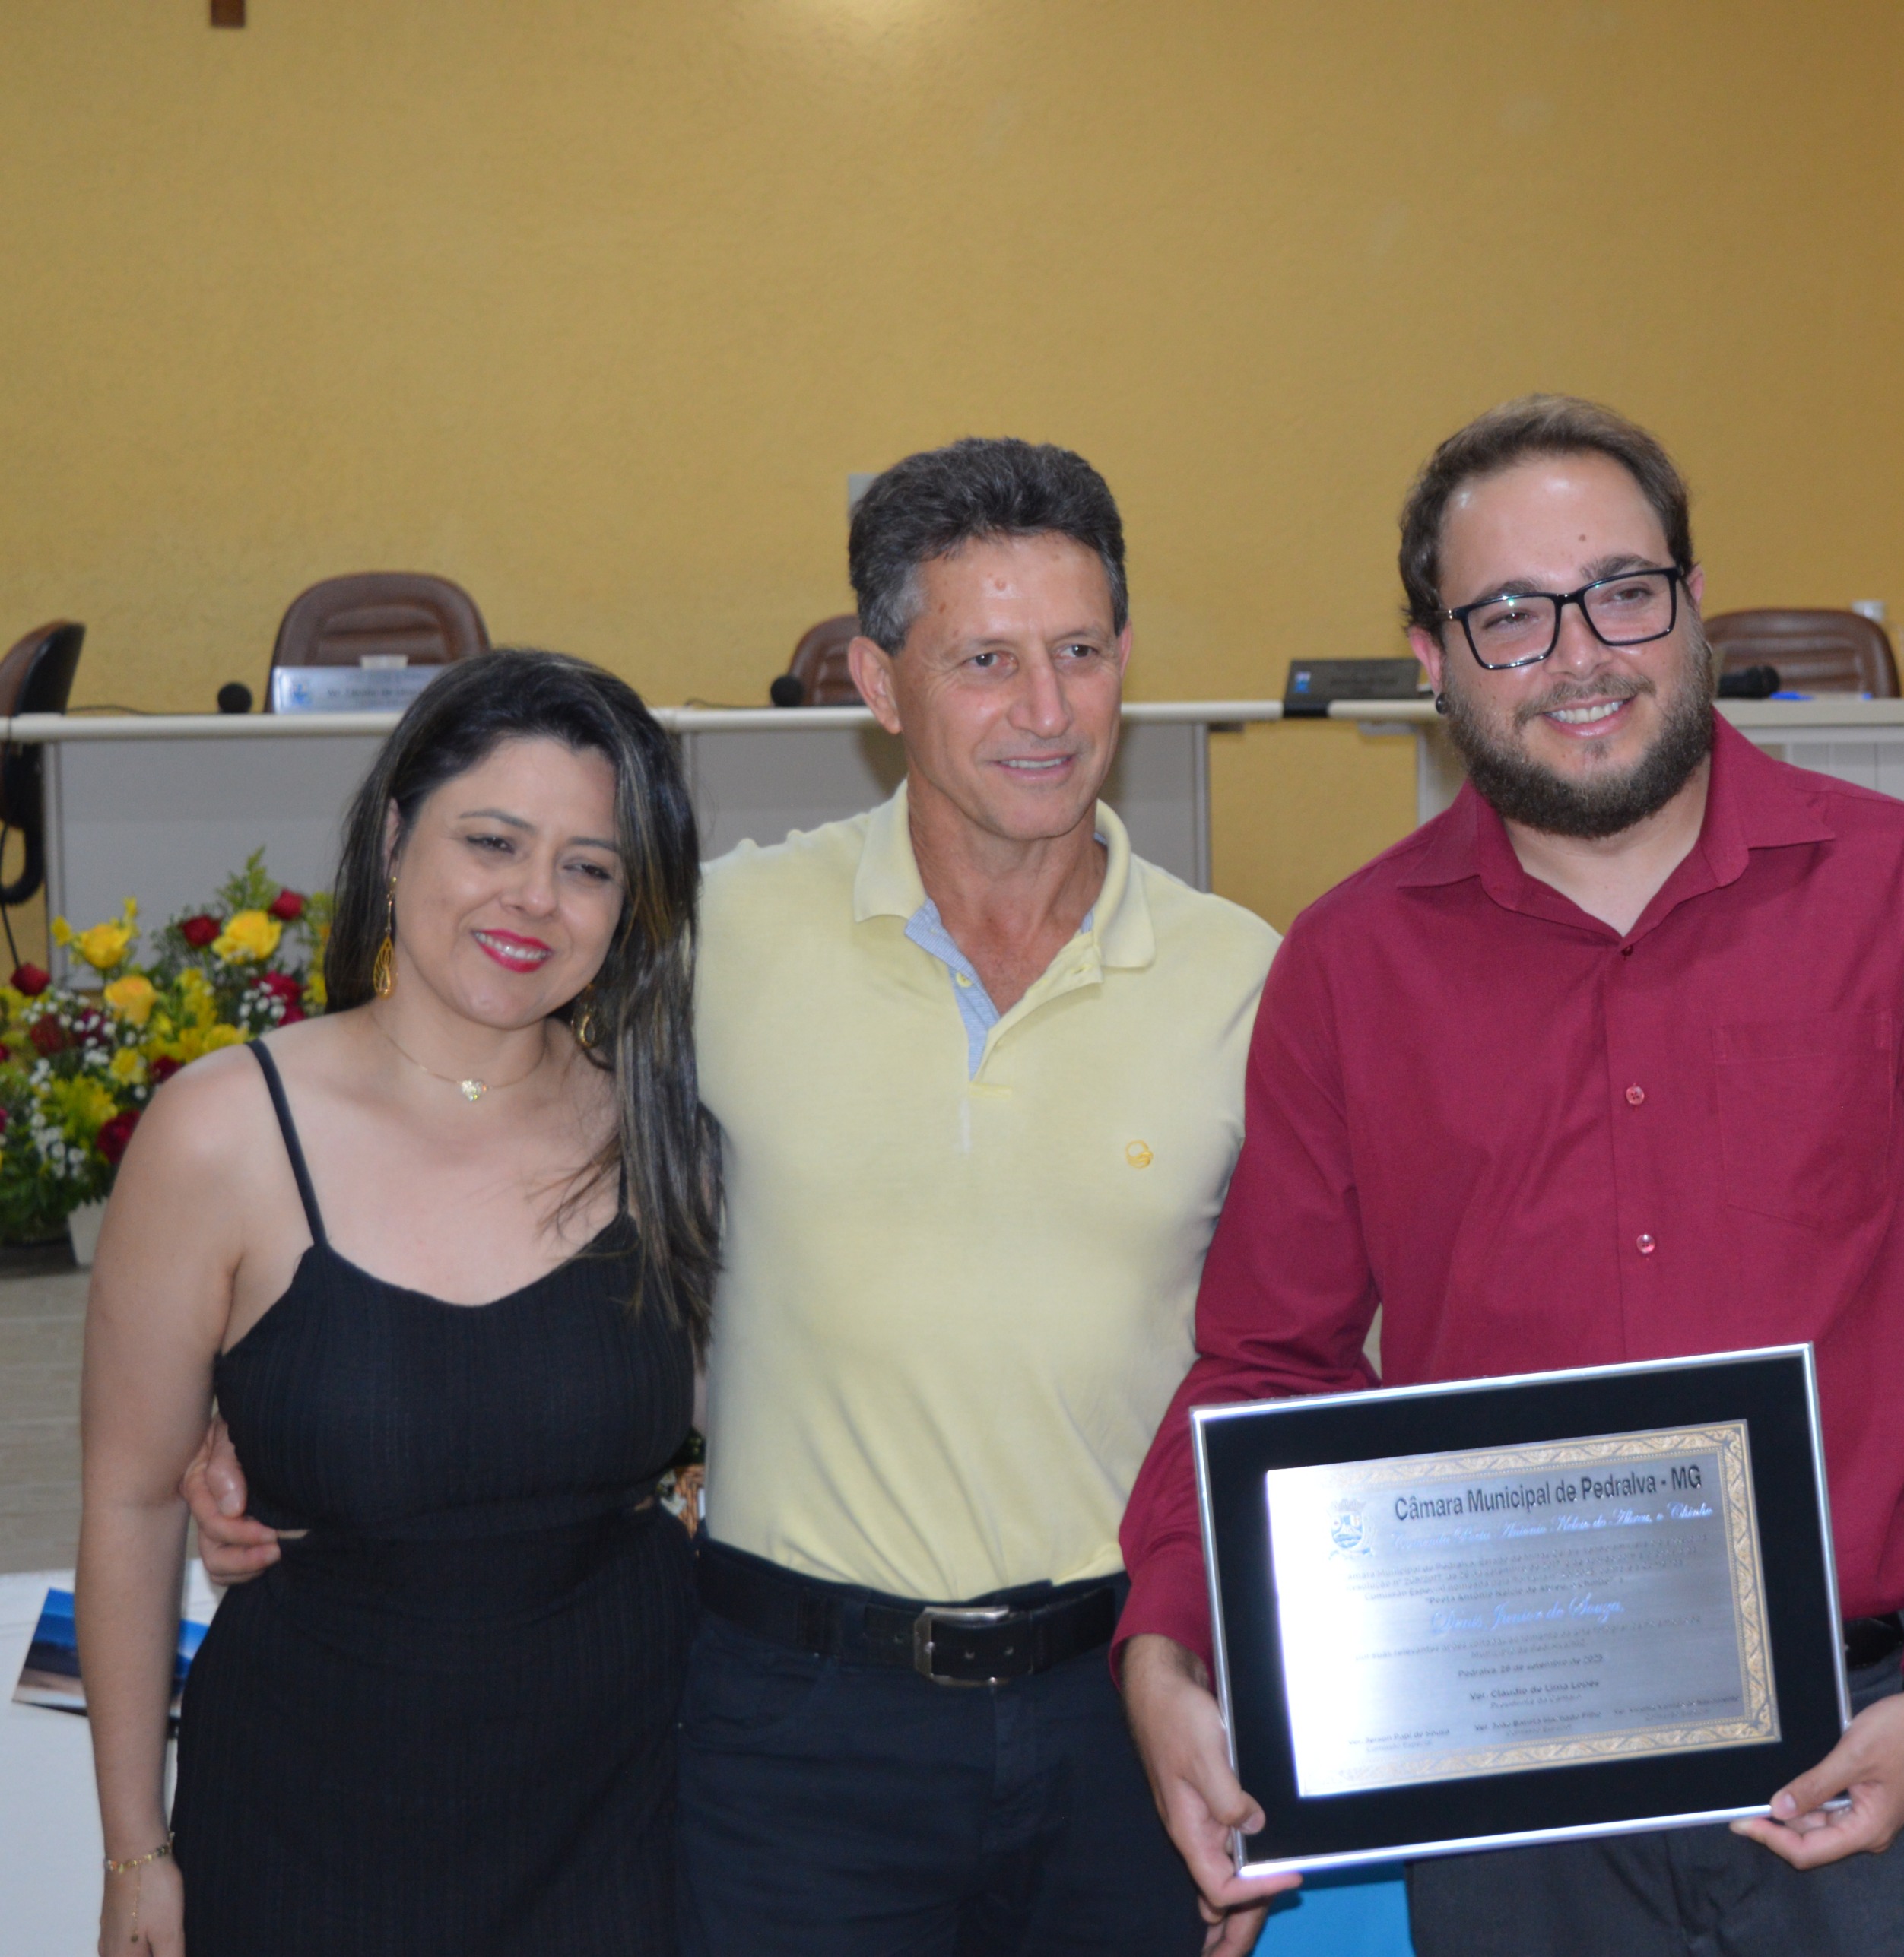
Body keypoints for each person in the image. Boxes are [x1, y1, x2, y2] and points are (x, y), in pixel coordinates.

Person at [188, 439, 1280, 1954]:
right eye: (984, 660)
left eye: (1080, 652)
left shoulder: (1246, 979)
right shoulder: (715, 938)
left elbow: (1291, 1347)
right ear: (877, 682)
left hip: (1118, 1712)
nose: (1047, 709)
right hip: (793, 1728)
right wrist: (267, 1389)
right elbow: (466, 1121)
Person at [1116, 395, 1904, 1957]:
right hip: (1514, 1799)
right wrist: (1168, 1638)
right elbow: (1266, 1358)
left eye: (1623, 592)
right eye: (1511, 614)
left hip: (1875, 1744)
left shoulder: (1896, 890)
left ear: (1693, 604)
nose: (1581, 655)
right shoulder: (1348, 966)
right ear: (1432, 658)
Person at [79, 651, 717, 1955]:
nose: (534, 896)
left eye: (589, 866)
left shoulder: (665, 1132)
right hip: (305, 1823)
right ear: (391, 834)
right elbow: (133, 1503)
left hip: (620, 1818)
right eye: (493, 840)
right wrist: (135, 1847)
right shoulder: (224, 1131)